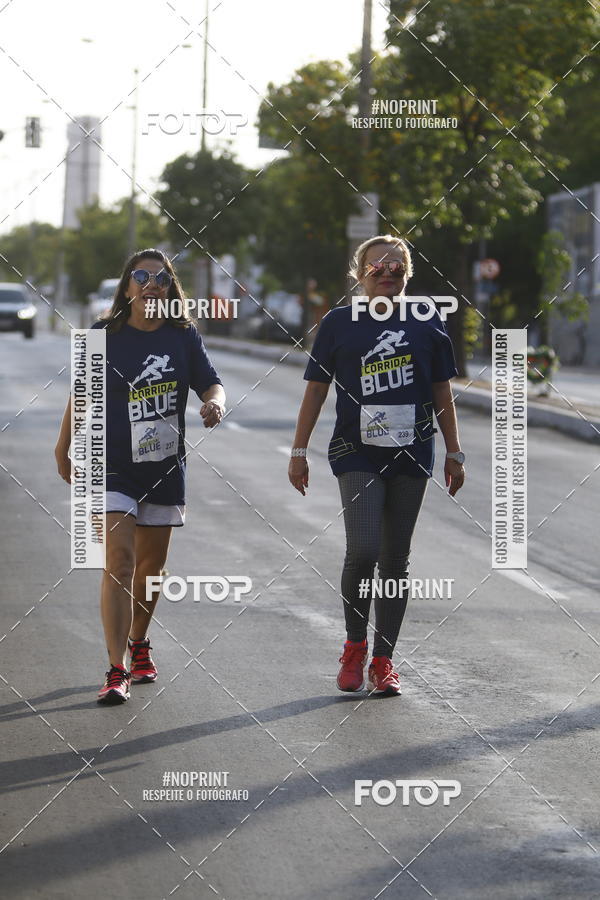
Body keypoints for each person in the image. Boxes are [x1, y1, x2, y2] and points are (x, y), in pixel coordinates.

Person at [288, 235, 464, 696]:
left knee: (395, 560)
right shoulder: (339, 324)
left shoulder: (427, 324)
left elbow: (442, 392)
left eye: (396, 266)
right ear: (359, 273)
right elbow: (315, 391)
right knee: (364, 550)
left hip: (413, 450)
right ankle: (354, 646)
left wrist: (454, 450)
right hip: (356, 451)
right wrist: (298, 451)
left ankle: (383, 661)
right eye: (376, 266)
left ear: (407, 273)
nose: (386, 273)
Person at [55, 249, 226, 705]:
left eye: (162, 277)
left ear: (172, 288)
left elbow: (211, 382)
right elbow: (80, 392)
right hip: (109, 463)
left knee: (150, 569)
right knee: (120, 561)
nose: (152, 283)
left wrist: (216, 402)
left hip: (164, 465)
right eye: (142, 275)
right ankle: (115, 669)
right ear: (128, 286)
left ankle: (139, 641)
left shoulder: (182, 336)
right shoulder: (102, 334)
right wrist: (63, 445)